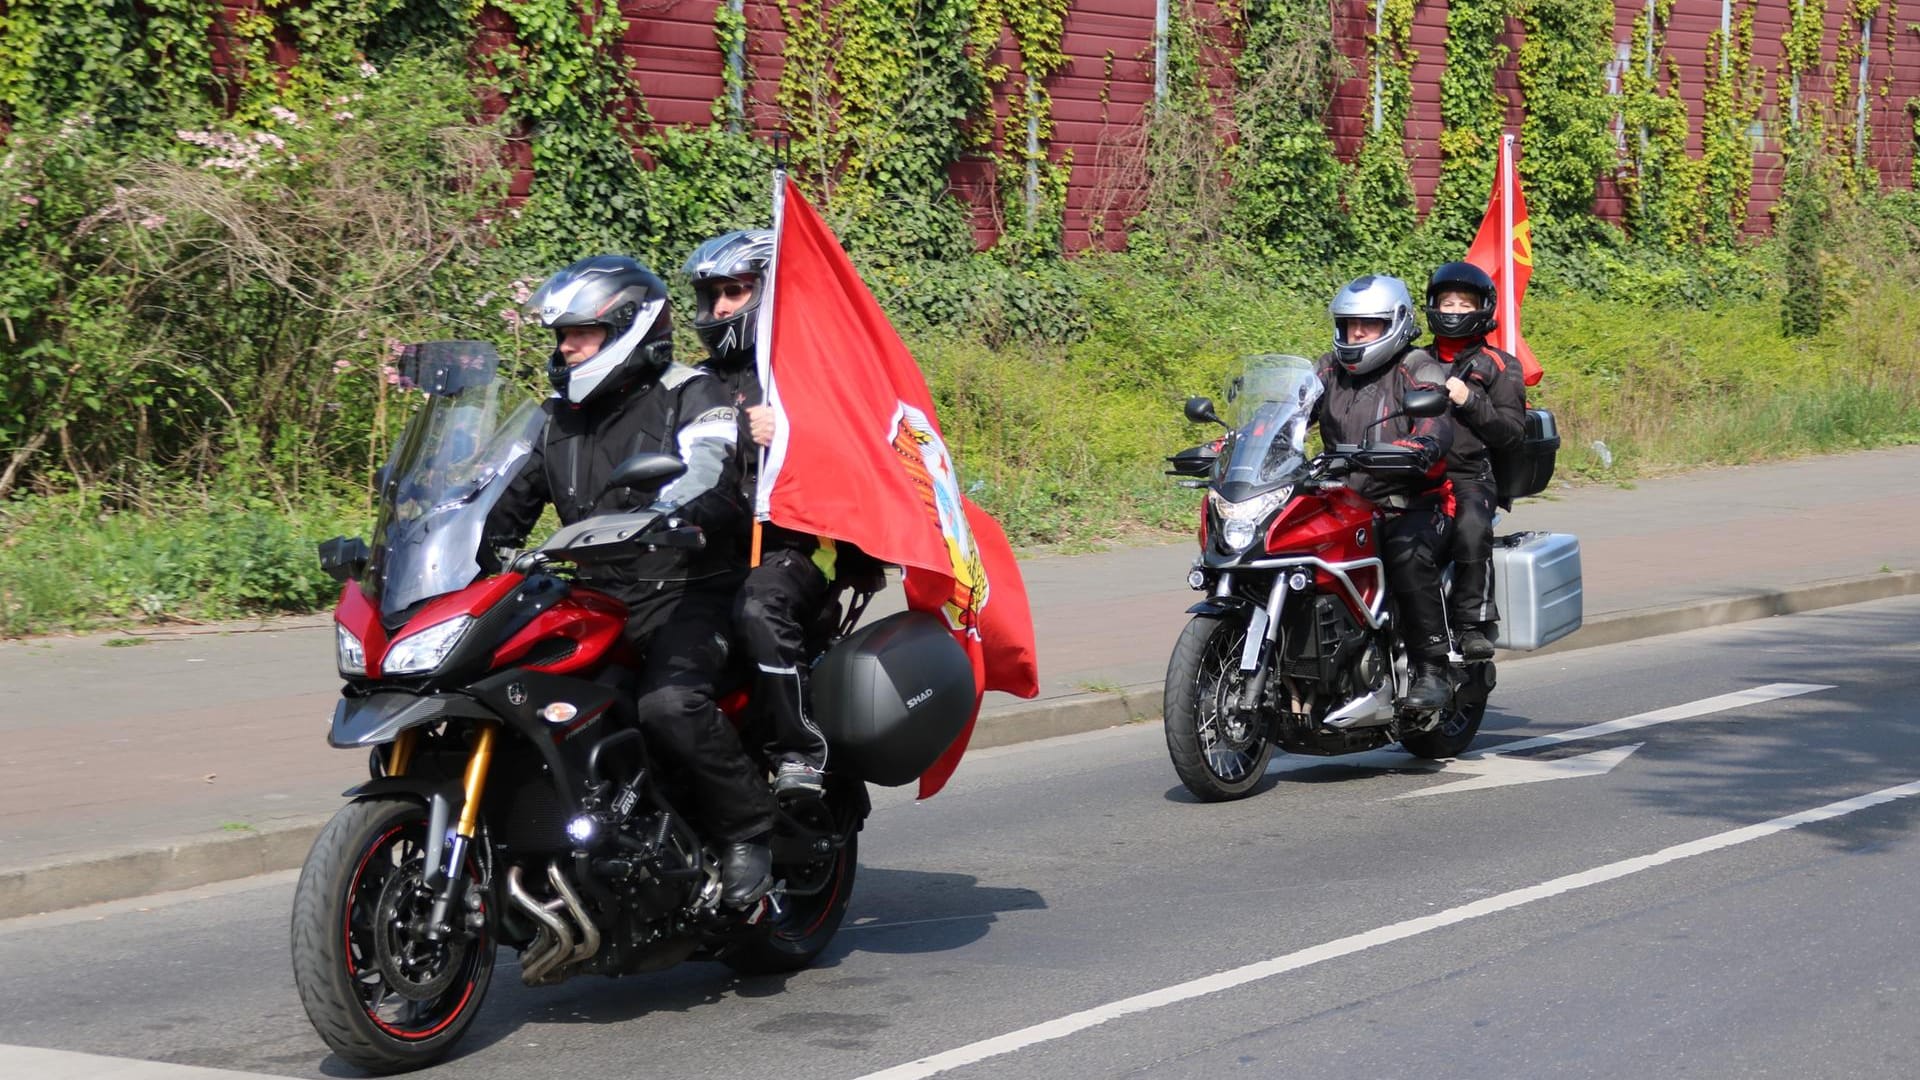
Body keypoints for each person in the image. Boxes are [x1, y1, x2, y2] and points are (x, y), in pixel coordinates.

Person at [484, 254, 776, 908]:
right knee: (519, 703)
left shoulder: (692, 393)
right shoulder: (557, 417)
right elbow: (504, 498)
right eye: (560, 336)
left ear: (625, 329)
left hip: (686, 589)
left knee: (668, 706)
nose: (564, 348)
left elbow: (707, 470)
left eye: (578, 334)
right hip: (591, 600)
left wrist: (669, 512)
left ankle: (746, 830)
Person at [683, 229, 839, 796]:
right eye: (714, 295)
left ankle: (798, 751)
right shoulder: (692, 382)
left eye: (736, 291)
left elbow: (858, 453)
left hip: (791, 548)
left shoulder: (805, 375)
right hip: (707, 548)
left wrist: (793, 435)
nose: (721, 306)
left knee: (757, 609)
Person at [1312, 275, 1456, 711]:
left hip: (1410, 502)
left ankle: (1434, 669)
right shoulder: (1328, 369)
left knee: (1406, 555)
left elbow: (1434, 417)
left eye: (1368, 325)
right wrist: (1240, 442)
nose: (1355, 334)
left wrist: (1419, 444)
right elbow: (1290, 408)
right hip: (1344, 501)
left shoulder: (1417, 367)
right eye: (1349, 324)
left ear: (1395, 323)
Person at [1422, 262, 1525, 662]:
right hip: (1412, 472)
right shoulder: (1410, 361)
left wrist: (1470, 401)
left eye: (1463, 304)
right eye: (1446, 302)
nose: (1452, 310)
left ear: (1481, 309)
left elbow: (1512, 433)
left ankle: (1472, 622)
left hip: (1469, 475)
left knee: (1470, 526)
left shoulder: (1500, 365)